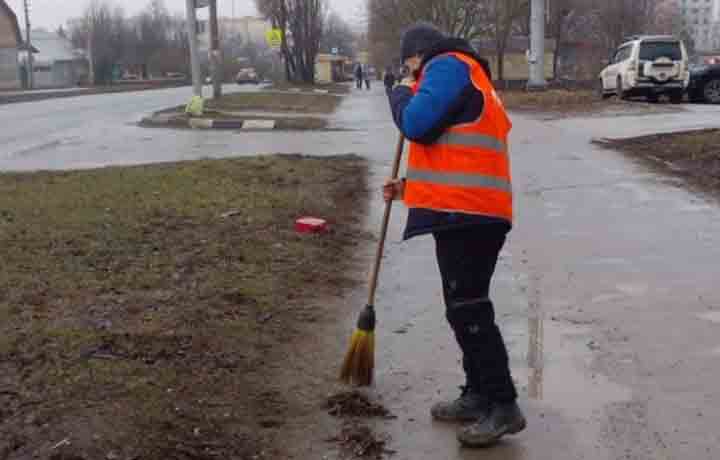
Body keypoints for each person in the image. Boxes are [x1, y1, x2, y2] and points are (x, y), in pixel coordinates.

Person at [383, 23, 526, 448]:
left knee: (469, 309)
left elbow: (416, 122)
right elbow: (455, 152)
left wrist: (398, 92)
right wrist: (410, 188)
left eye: (411, 66)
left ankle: (503, 405)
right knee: (463, 307)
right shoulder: (465, 73)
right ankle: (479, 393)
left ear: (420, 54)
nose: (412, 75)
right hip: (469, 210)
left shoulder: (446, 66)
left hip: (468, 215)